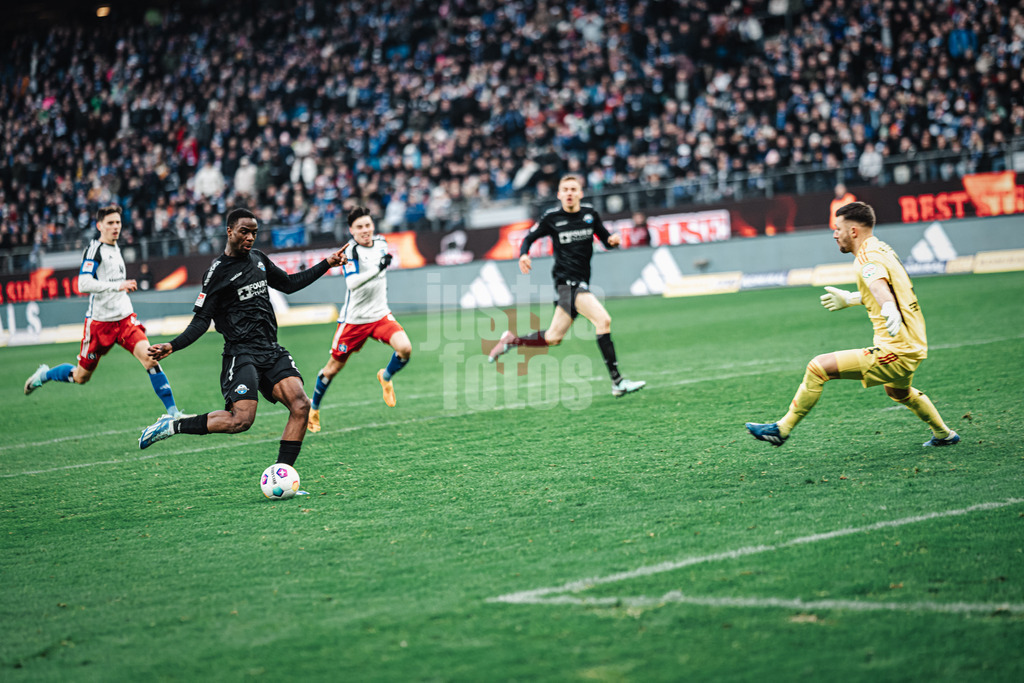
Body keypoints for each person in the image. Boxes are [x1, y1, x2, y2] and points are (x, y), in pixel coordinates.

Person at [138, 208, 347, 476]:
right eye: (244, 232)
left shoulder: (259, 259)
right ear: (230, 232)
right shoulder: (217, 273)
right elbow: (203, 320)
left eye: (254, 233)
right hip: (241, 354)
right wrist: (173, 345)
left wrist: (327, 263)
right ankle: (173, 425)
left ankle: (281, 476)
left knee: (301, 405)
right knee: (241, 421)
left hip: (271, 350)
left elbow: (289, 284)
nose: (250, 238)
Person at [746, 201, 959, 448]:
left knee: (818, 367)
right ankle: (944, 434)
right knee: (899, 393)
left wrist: (888, 306)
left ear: (853, 231)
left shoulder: (866, 260)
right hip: (912, 341)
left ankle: (781, 430)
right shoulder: (881, 249)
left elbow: (880, 287)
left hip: (897, 350)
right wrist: (850, 298)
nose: (835, 234)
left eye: (838, 228)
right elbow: (888, 288)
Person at [488, 174, 646, 397]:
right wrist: (524, 254)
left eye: (574, 189)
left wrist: (613, 242)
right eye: (566, 190)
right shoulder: (552, 217)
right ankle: (617, 382)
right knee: (603, 320)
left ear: (580, 193)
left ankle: (511, 340)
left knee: (553, 337)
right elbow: (529, 238)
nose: (570, 193)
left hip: (579, 283)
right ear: (559, 194)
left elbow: (605, 240)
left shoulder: (590, 215)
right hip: (567, 284)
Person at [23, 205, 186, 418]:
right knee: (81, 377)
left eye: (118, 222)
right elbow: (83, 283)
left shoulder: (116, 248)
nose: (115, 227)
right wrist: (116, 286)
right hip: (100, 325)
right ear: (100, 226)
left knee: (151, 358)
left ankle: (173, 414)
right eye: (110, 223)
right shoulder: (95, 250)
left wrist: (119, 288)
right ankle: (45, 374)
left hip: (125, 320)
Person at [308, 206, 411, 432]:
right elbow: (352, 283)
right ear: (351, 230)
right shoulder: (350, 251)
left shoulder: (382, 243)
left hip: (380, 314)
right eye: (359, 227)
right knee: (332, 369)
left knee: (405, 348)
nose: (365, 230)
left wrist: (380, 267)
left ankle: (386, 376)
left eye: (367, 225)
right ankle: (313, 409)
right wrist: (378, 268)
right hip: (354, 321)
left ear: (373, 226)